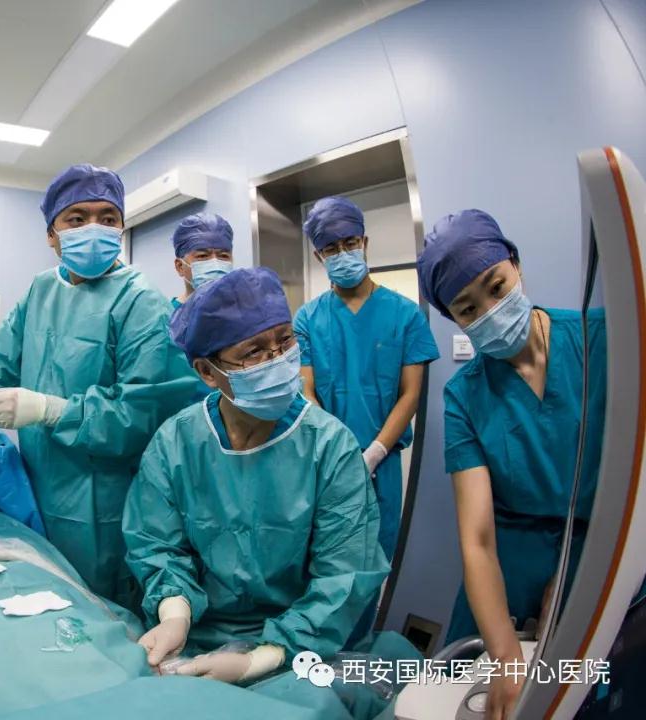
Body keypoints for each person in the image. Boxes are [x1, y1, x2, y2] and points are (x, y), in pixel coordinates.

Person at [0, 164, 198, 609]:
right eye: (77, 219)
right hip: (38, 481)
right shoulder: (40, 290)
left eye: (107, 218)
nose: (94, 228)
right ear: (51, 234)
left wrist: (50, 410)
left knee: (97, 608)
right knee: (44, 599)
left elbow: (141, 411)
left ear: (121, 227)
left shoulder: (140, 299)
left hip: (107, 501)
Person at [123, 267, 388, 683]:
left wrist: (261, 658)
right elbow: (156, 545)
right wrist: (175, 614)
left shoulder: (330, 446)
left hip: (298, 649)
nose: (277, 360)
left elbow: (343, 576)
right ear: (207, 372)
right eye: (254, 351)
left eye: (285, 341)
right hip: (193, 636)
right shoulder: (176, 443)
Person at [417, 209, 605, 719]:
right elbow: (477, 540)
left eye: (497, 287)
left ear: (516, 265)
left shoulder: (605, 341)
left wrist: (574, 580)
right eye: (467, 309)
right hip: (508, 574)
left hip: (600, 558)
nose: (491, 311)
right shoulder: (464, 396)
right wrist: (504, 655)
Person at [294, 196, 439, 562]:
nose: (342, 253)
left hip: (382, 462)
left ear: (365, 243)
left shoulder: (406, 314)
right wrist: (339, 451)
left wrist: (373, 453)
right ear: (319, 257)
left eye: (350, 243)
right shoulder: (307, 319)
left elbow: (410, 395)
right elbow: (306, 389)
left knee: (375, 557)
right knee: (326, 559)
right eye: (331, 248)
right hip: (325, 459)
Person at [170, 212, 234, 309]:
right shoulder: (168, 315)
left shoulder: (243, 310)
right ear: (180, 266)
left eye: (223, 256)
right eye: (203, 255)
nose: (216, 265)